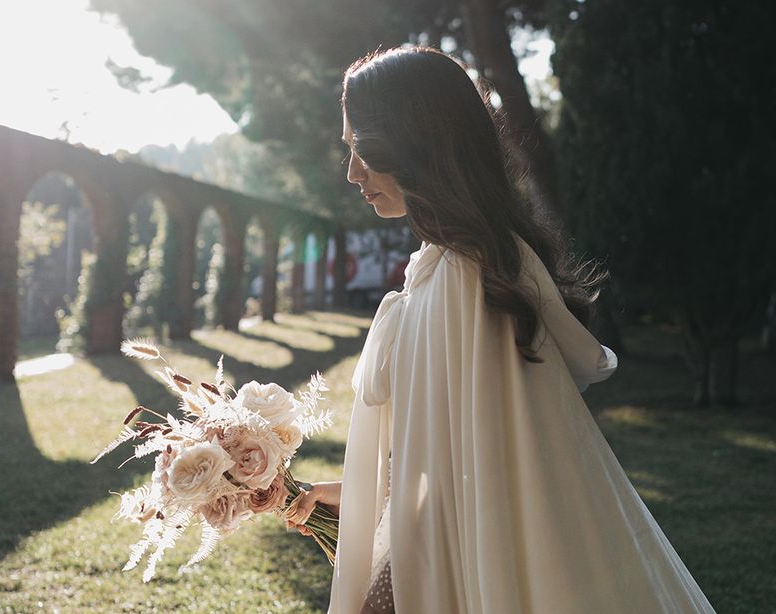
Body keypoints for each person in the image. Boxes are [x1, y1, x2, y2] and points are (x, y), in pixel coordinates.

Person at [284, 46, 715, 614]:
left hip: (464, 566)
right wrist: (357, 497)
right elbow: (449, 448)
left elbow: (495, 472)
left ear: (416, 140)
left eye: (363, 148)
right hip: (441, 545)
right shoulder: (448, 267)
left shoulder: (467, 276)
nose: (352, 172)